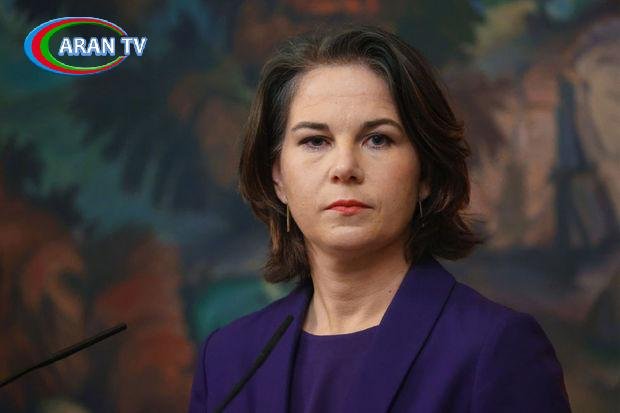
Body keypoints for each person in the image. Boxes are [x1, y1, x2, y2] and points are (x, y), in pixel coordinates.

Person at [188, 23, 572, 413]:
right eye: (315, 141)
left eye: (378, 139)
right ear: (278, 178)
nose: (345, 167)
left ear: (425, 173)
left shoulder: (496, 348)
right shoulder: (226, 360)